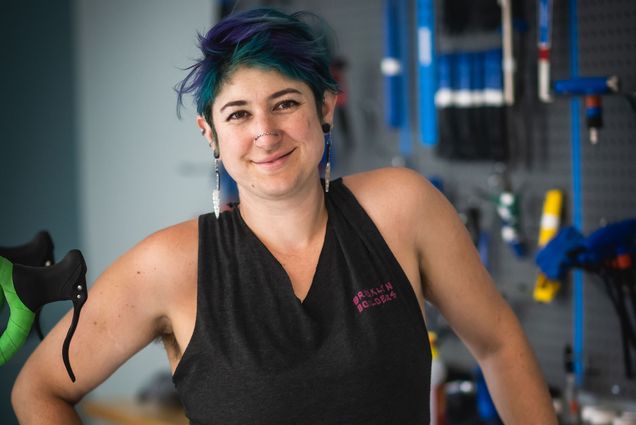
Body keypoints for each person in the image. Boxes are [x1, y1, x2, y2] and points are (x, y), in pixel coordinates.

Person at [11, 7, 557, 425]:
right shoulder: (168, 266)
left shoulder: (402, 208)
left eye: (286, 103)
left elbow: (499, 342)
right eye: (238, 113)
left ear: (325, 106)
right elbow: (39, 389)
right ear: (211, 133)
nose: (265, 132)